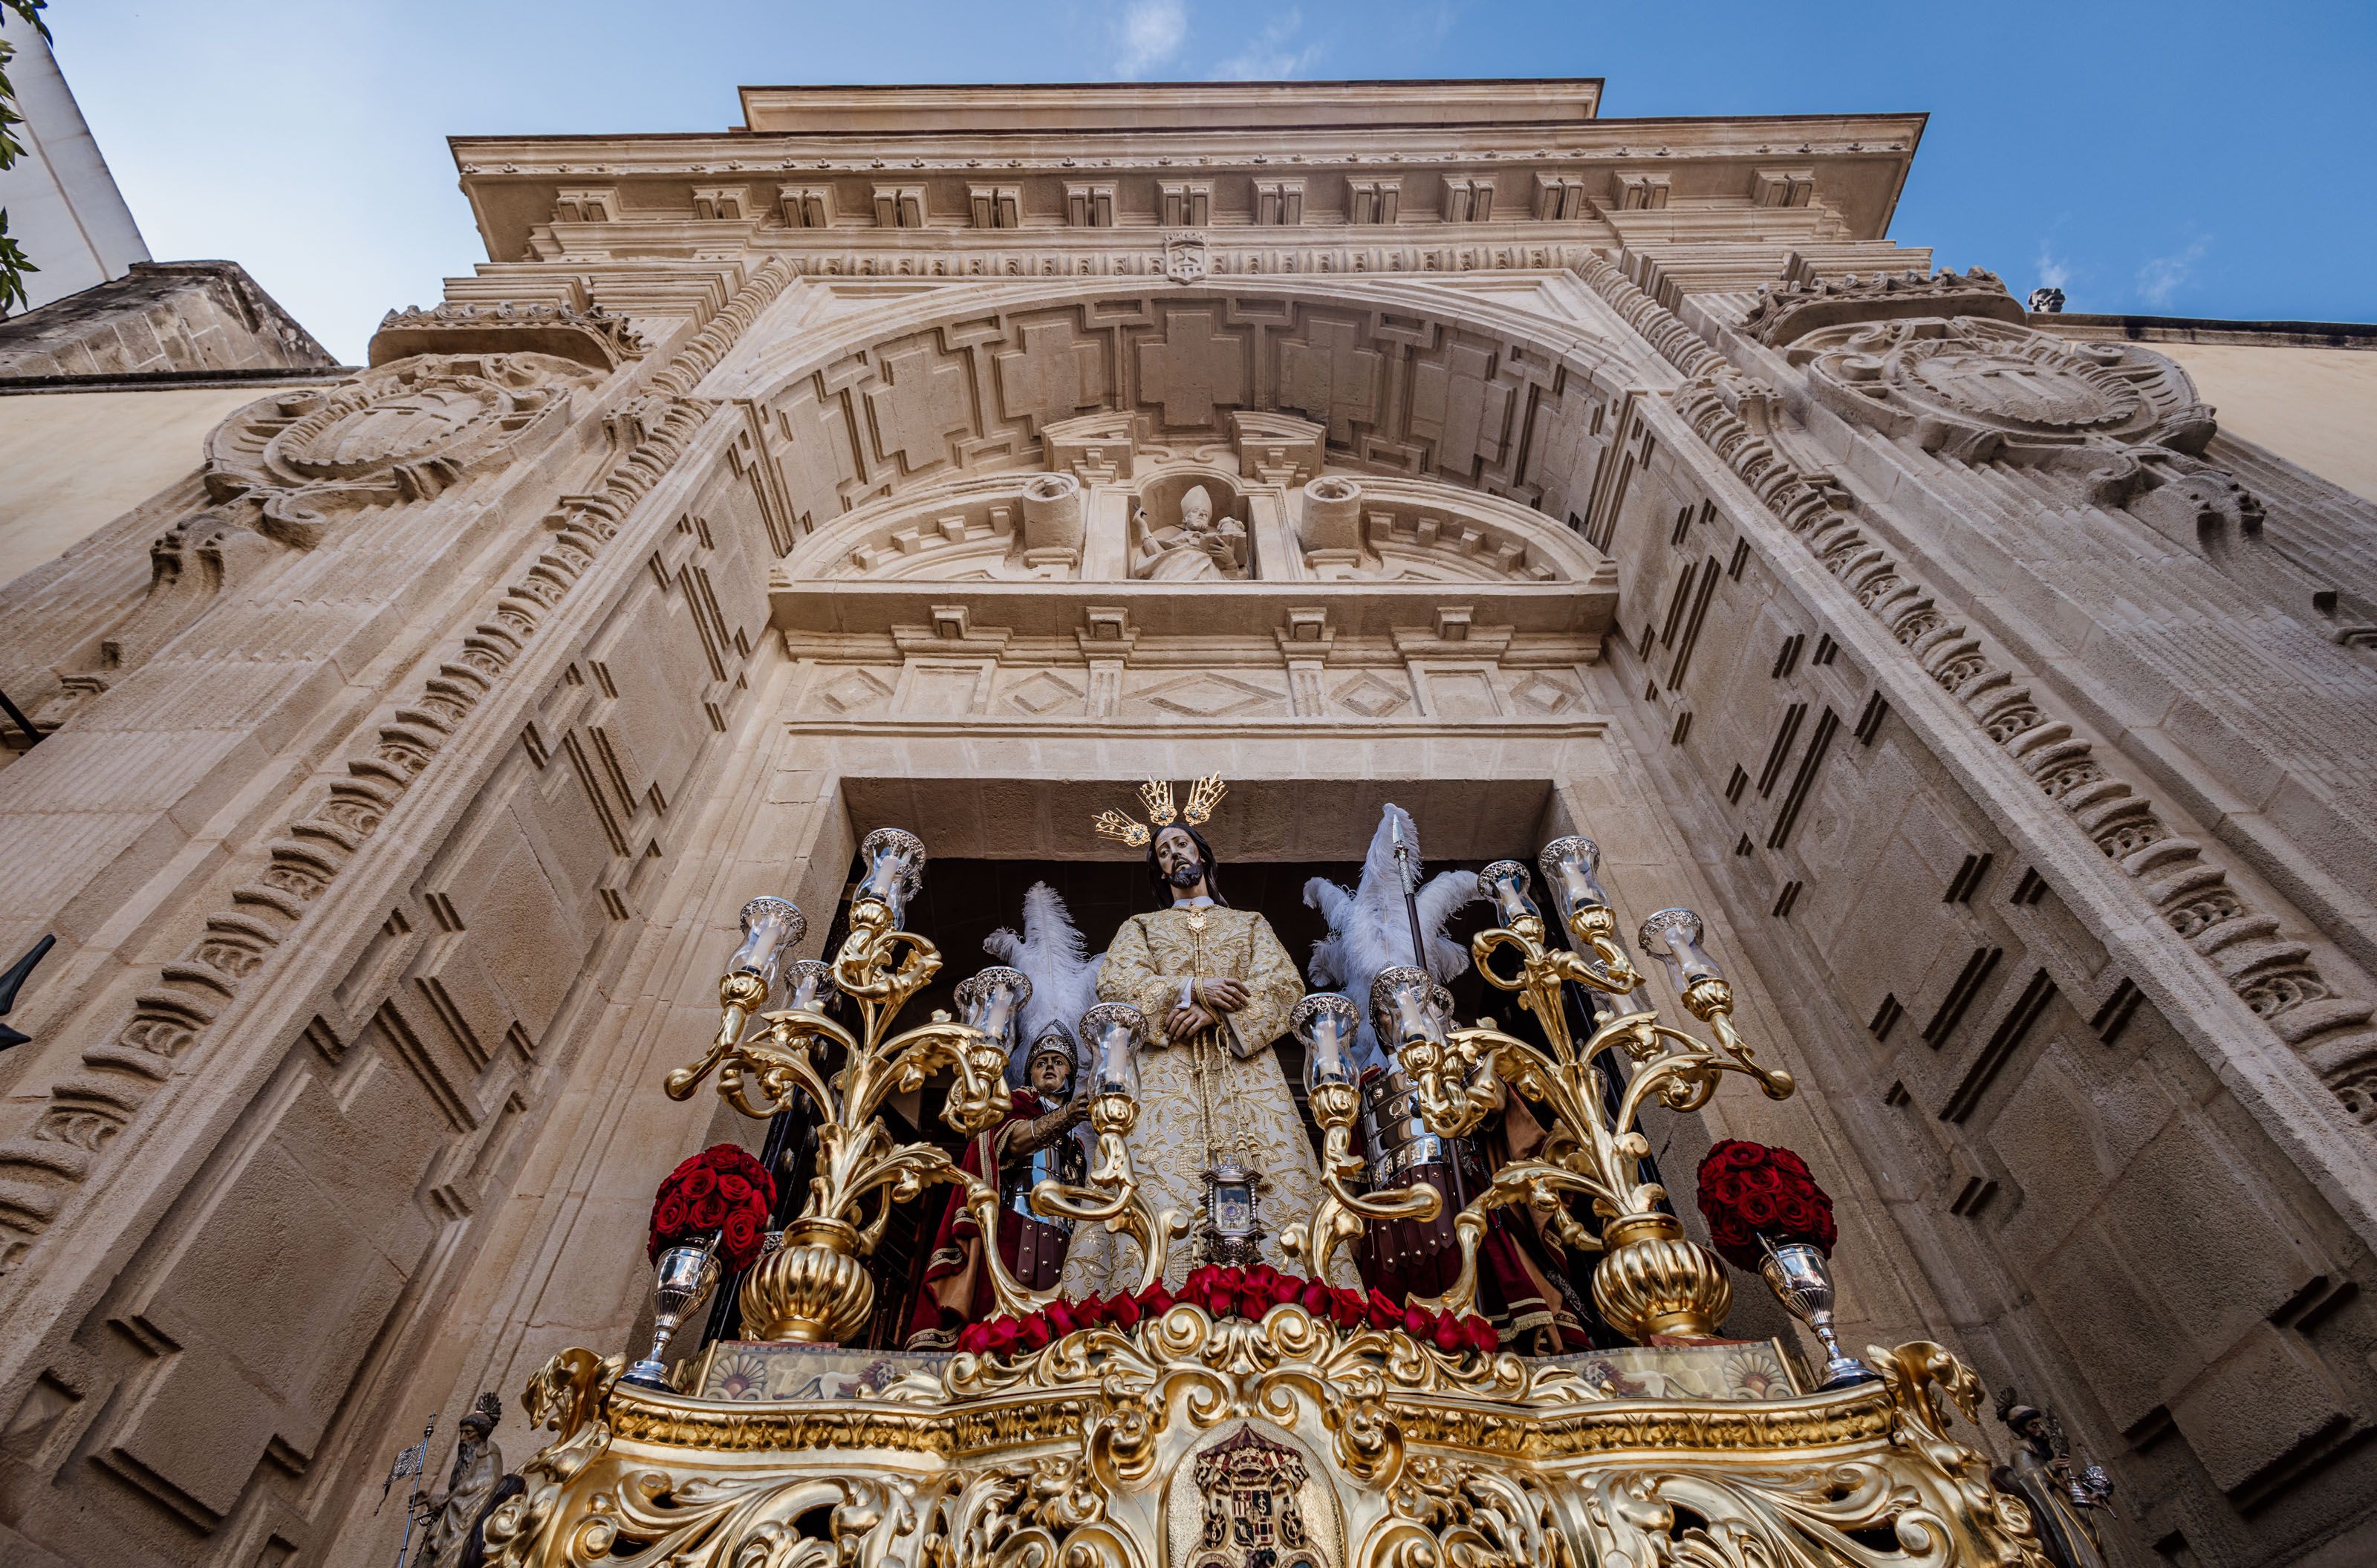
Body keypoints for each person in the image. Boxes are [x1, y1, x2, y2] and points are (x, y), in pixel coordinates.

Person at [1068, 776, 1349, 1291]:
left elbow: (1284, 985)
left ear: (1201, 853)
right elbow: (1117, 983)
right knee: (1155, 1185)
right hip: (1165, 1076)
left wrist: (1218, 1015)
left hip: (1248, 1076)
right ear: (1160, 871)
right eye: (1164, 851)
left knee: (1279, 1186)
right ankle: (1149, 1297)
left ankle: (1290, 1298)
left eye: (1181, 843)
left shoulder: (1249, 923)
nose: (1175, 853)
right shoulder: (1141, 927)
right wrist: (1191, 989)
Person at [904, 1025, 1090, 1348]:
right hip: (1014, 1226)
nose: (1049, 1066)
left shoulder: (1077, 1143)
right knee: (998, 1322)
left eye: (1058, 1062)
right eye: (1041, 1062)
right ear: (1030, 1074)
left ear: (1070, 1075)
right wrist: (1068, 1115)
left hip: (1064, 1237)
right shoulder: (1016, 1104)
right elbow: (1013, 1143)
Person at [415, 1394, 501, 1568]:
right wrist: (433, 1499)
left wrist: (452, 1498)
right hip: (452, 1515)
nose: (462, 1439)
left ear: (481, 1435)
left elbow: (488, 1481)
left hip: (465, 1517)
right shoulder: (465, 1459)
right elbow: (456, 1491)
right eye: (461, 1433)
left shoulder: (489, 1451)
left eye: (468, 1433)